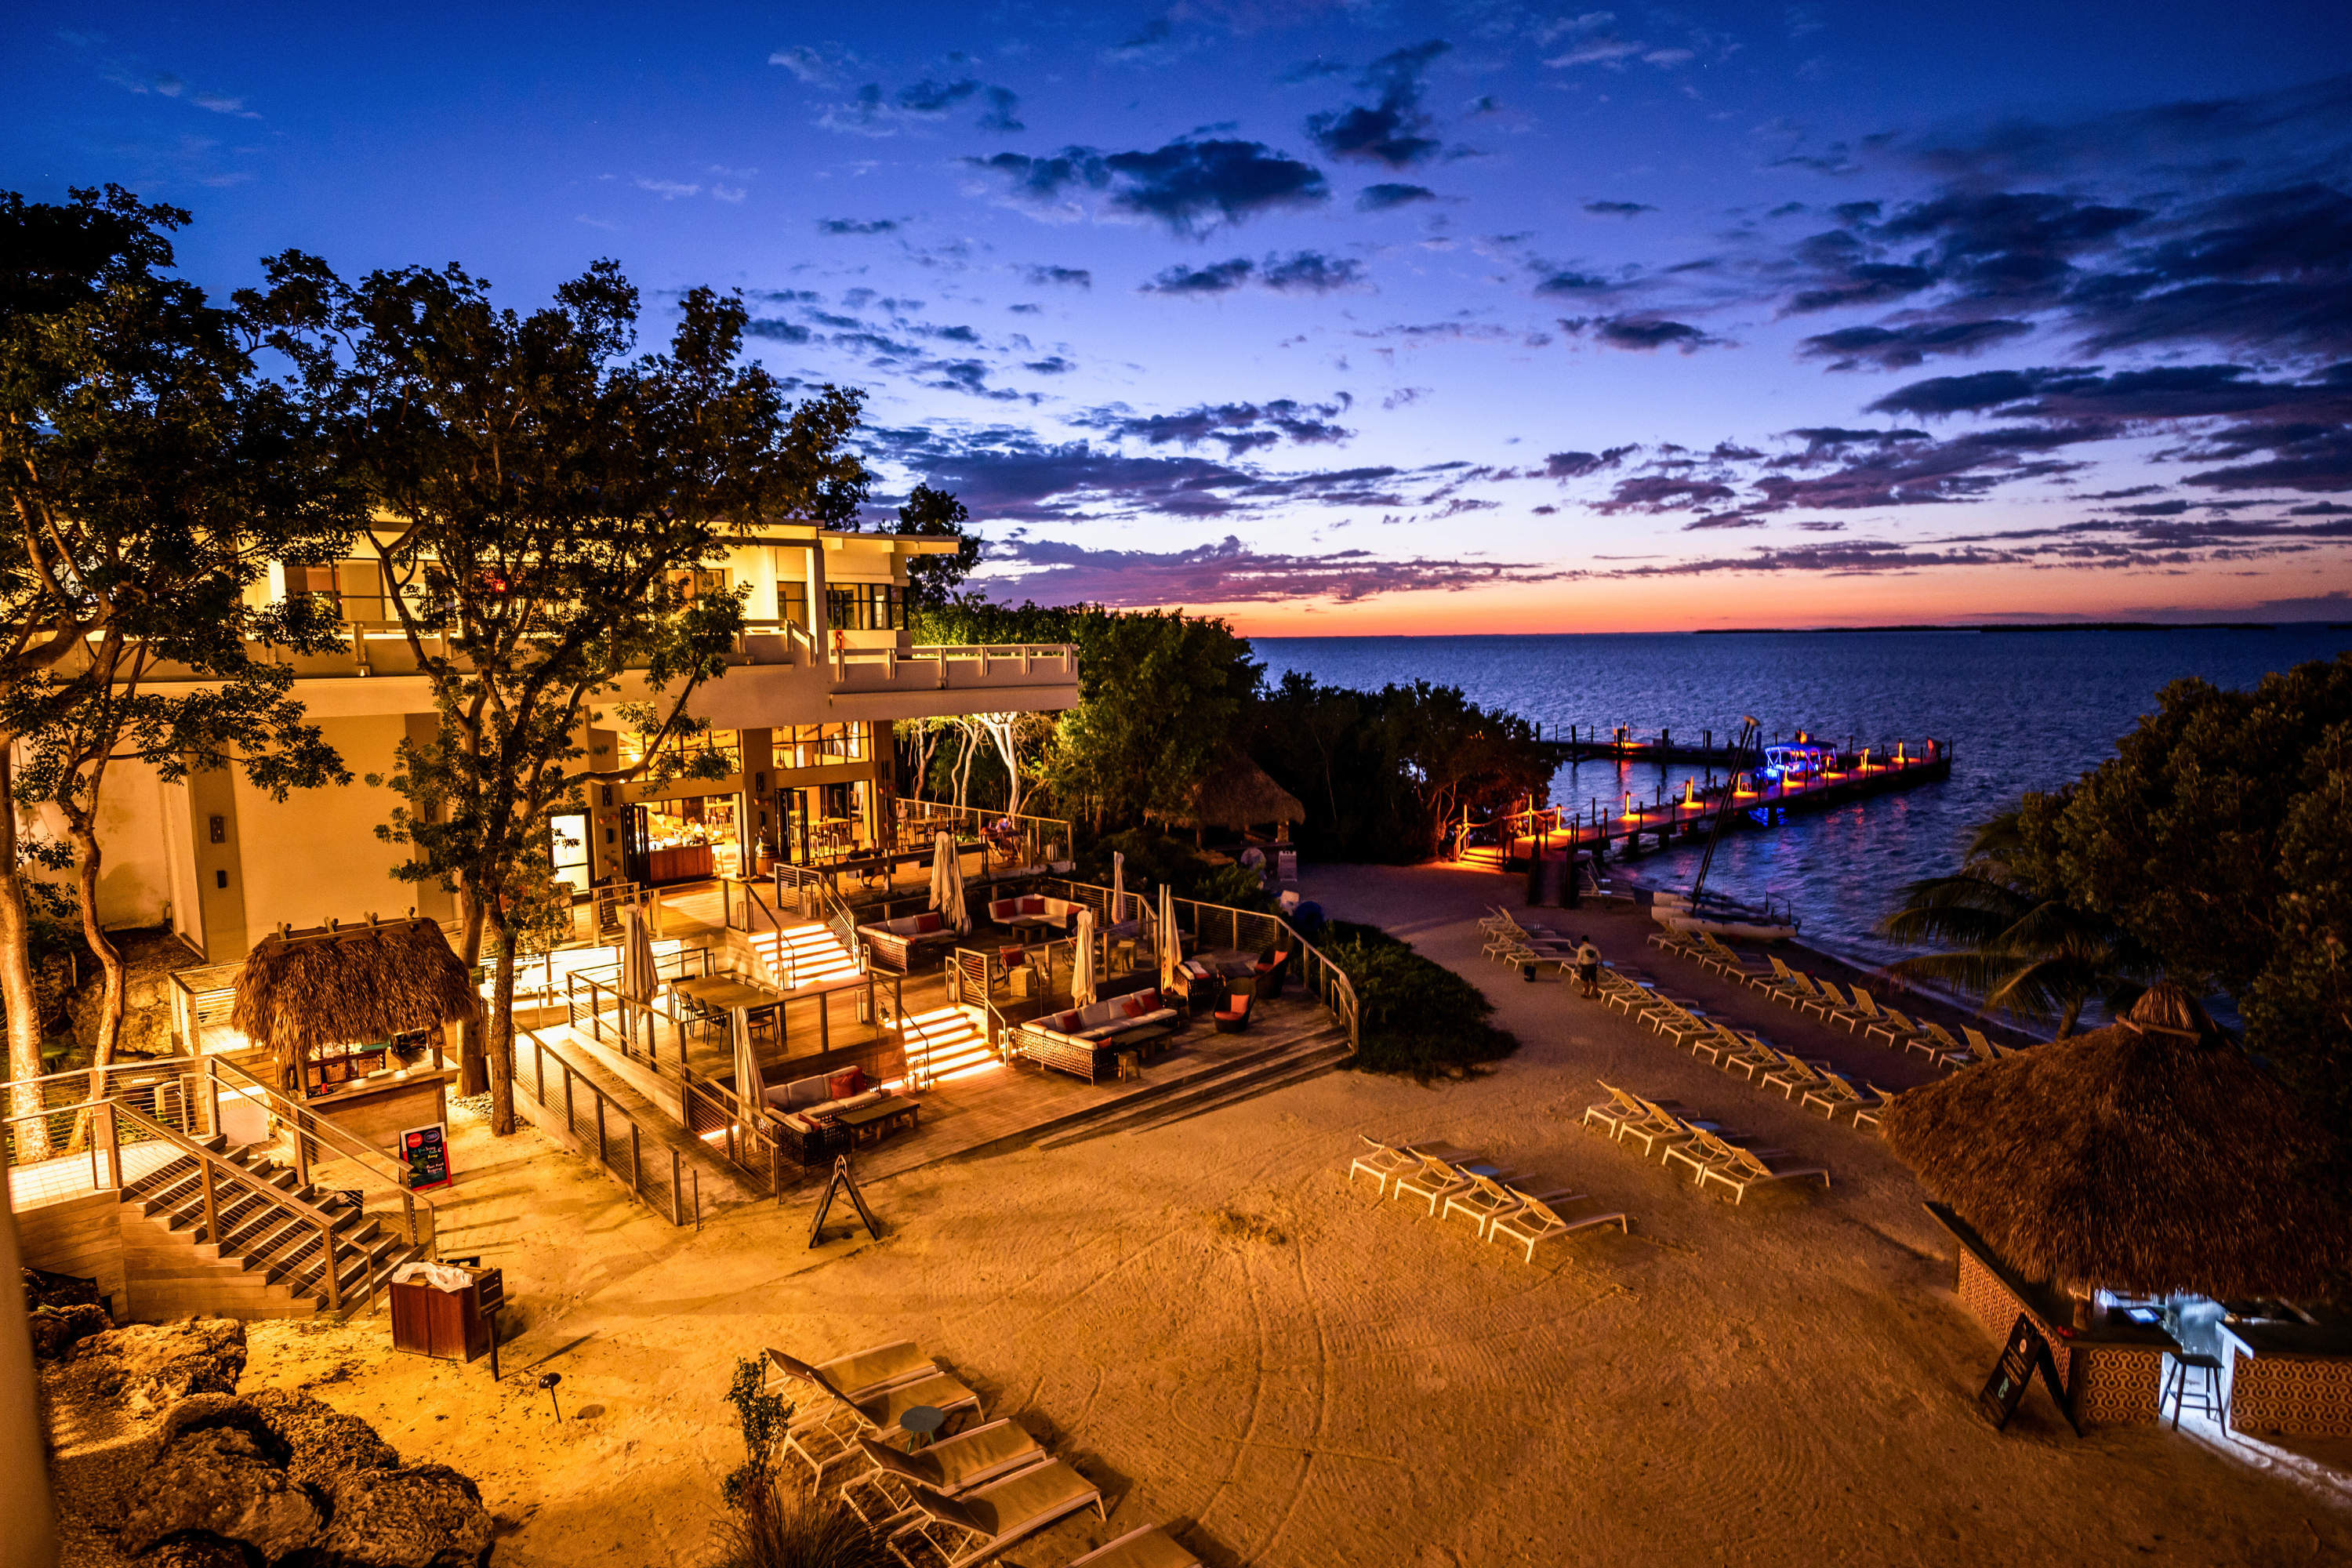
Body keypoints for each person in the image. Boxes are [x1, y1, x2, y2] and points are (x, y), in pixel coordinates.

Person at [1574, 935, 1601, 999]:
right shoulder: (1594, 947)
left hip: (1585, 965)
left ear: (1582, 941)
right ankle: (1596, 994)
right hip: (1593, 965)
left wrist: (1576, 965)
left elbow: (1579, 958)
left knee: (1586, 980)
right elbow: (1599, 956)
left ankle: (1586, 994)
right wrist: (1600, 963)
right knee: (1594, 980)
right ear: (1588, 940)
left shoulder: (1581, 948)